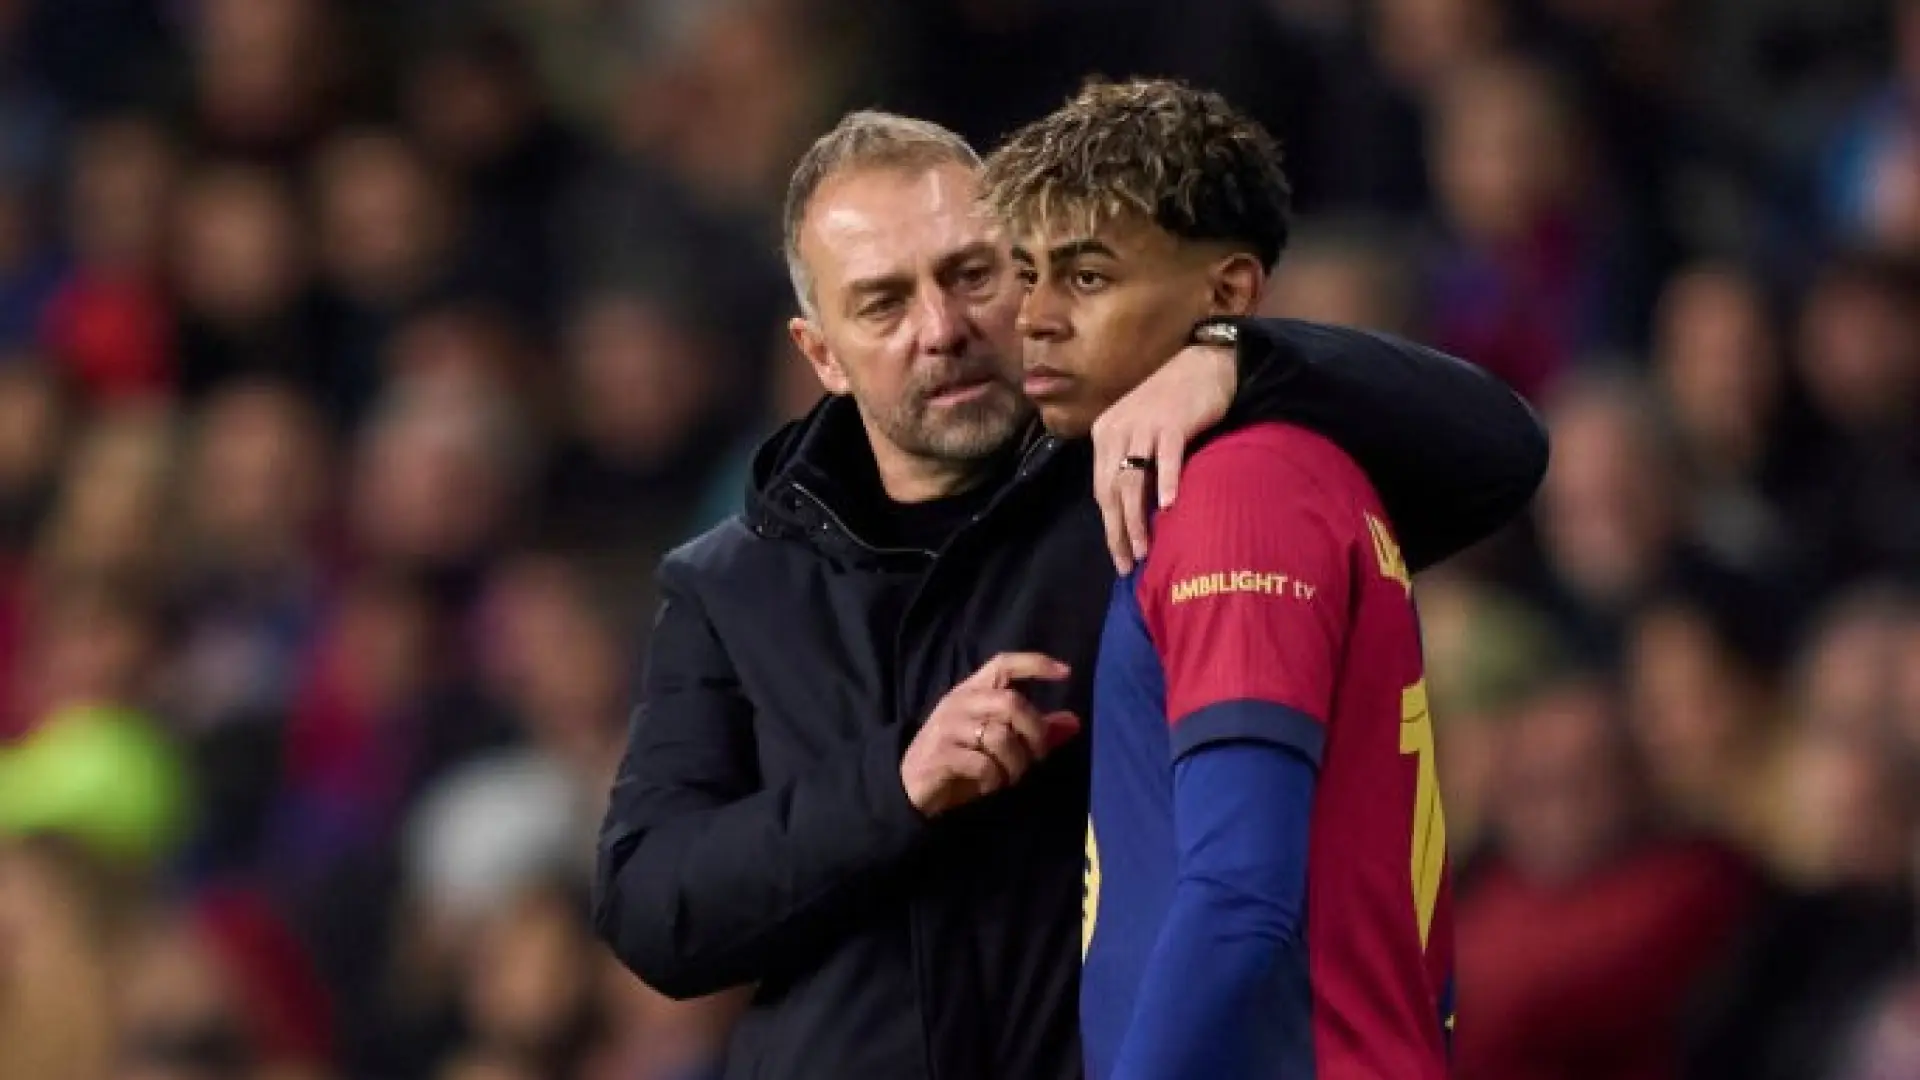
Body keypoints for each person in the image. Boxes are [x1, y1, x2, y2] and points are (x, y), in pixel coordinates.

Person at [594, 109, 1545, 1080]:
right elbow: (654, 909)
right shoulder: (730, 585)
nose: (943, 329)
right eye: (883, 304)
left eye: (972, 275)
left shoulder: (1151, 471)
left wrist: (1236, 356)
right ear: (822, 353)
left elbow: (1494, 454)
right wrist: (895, 785)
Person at [978, 78, 1459, 1078]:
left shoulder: (1242, 494)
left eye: (1088, 276)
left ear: (1229, 295)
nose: (1035, 316)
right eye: (1028, 275)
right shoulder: (1251, 478)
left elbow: (1241, 893)